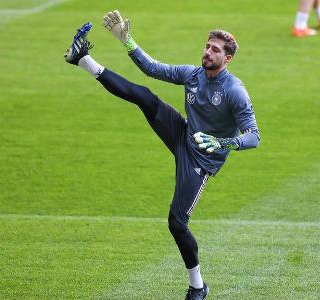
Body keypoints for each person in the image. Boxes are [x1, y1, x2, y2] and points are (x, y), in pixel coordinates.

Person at [64, 10, 260, 300]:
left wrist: (221, 143)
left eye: (215, 50)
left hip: (200, 162)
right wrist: (127, 40)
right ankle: (83, 60)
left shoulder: (235, 91)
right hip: (182, 134)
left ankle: (198, 286)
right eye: (207, 46)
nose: (207, 52)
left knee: (177, 223)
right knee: (144, 96)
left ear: (227, 58)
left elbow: (253, 136)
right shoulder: (193, 75)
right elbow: (152, 68)